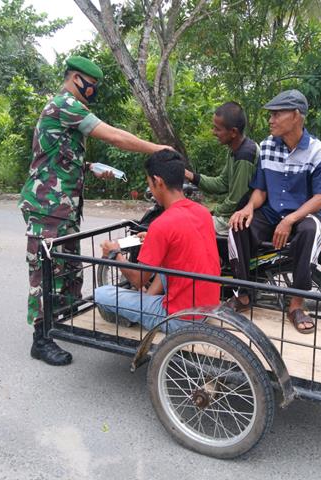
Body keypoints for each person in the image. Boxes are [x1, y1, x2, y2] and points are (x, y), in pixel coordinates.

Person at [19, 55, 171, 366]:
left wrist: (89, 167)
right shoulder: (64, 105)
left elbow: (56, 153)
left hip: (64, 207)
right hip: (47, 206)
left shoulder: (70, 110)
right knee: (46, 270)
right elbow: (114, 136)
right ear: (76, 79)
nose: (94, 90)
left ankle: (62, 318)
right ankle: (41, 339)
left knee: (67, 267)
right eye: (91, 84)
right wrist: (158, 148)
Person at [227, 89, 321, 334]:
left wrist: (291, 219)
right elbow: (261, 191)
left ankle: (297, 304)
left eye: (277, 114)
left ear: (296, 116)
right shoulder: (267, 146)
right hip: (272, 213)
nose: (271, 120)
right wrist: (248, 208)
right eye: (271, 115)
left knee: (310, 230)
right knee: (237, 226)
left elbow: (320, 198)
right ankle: (243, 293)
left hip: (303, 215)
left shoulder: (317, 151)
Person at [95, 150, 221, 332]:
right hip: (208, 309)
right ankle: (146, 300)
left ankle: (143, 307)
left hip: (178, 318)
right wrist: (153, 239)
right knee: (168, 263)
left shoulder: (161, 224)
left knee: (101, 293)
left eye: (150, 184)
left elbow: (138, 280)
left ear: (158, 181)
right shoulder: (202, 212)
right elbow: (181, 243)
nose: (151, 191)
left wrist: (115, 253)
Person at [184, 102, 258, 235]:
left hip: (238, 217)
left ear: (233, 132)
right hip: (231, 213)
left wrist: (213, 211)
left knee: (187, 227)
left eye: (217, 129)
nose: (213, 132)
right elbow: (222, 183)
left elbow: (236, 201)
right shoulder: (234, 149)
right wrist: (191, 176)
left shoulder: (245, 155)